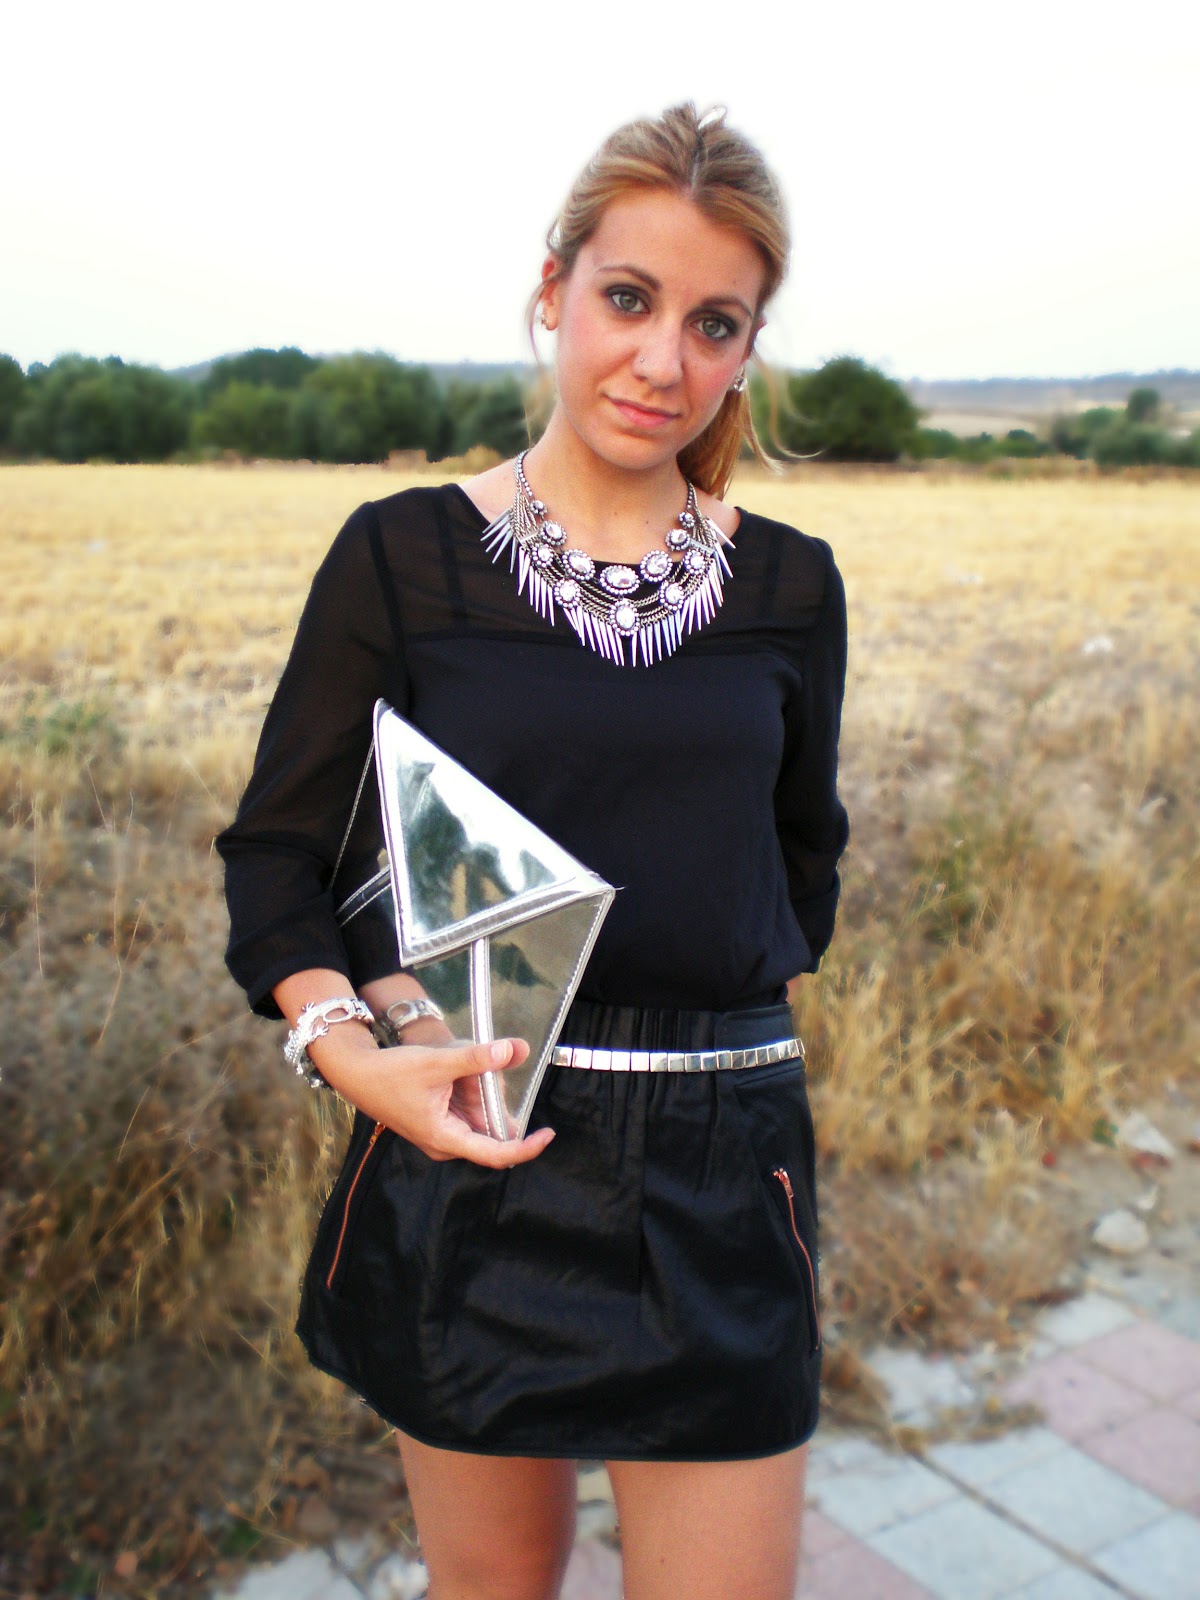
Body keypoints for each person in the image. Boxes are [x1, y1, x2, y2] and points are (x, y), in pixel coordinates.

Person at [217, 102, 849, 1600]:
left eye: (714, 324)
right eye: (629, 298)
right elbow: (279, 855)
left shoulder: (791, 588)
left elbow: (798, 874)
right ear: (552, 290)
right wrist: (350, 1047)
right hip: (471, 1143)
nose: (662, 360)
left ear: (747, 350)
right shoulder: (400, 558)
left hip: (719, 1176)